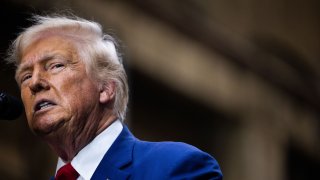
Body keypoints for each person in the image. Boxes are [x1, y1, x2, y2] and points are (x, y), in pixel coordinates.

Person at [6, 14, 223, 180]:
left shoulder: (175, 166)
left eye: (55, 66)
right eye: (25, 76)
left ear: (106, 88)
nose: (34, 83)